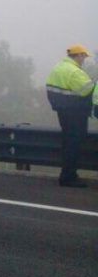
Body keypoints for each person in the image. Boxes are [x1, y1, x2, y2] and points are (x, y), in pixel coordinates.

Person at [45, 44, 95, 188]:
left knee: (68, 142)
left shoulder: (58, 68)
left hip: (63, 111)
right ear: (78, 56)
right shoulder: (74, 71)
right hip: (76, 112)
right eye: (83, 57)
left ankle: (68, 174)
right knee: (74, 144)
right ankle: (69, 176)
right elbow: (87, 90)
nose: (84, 60)